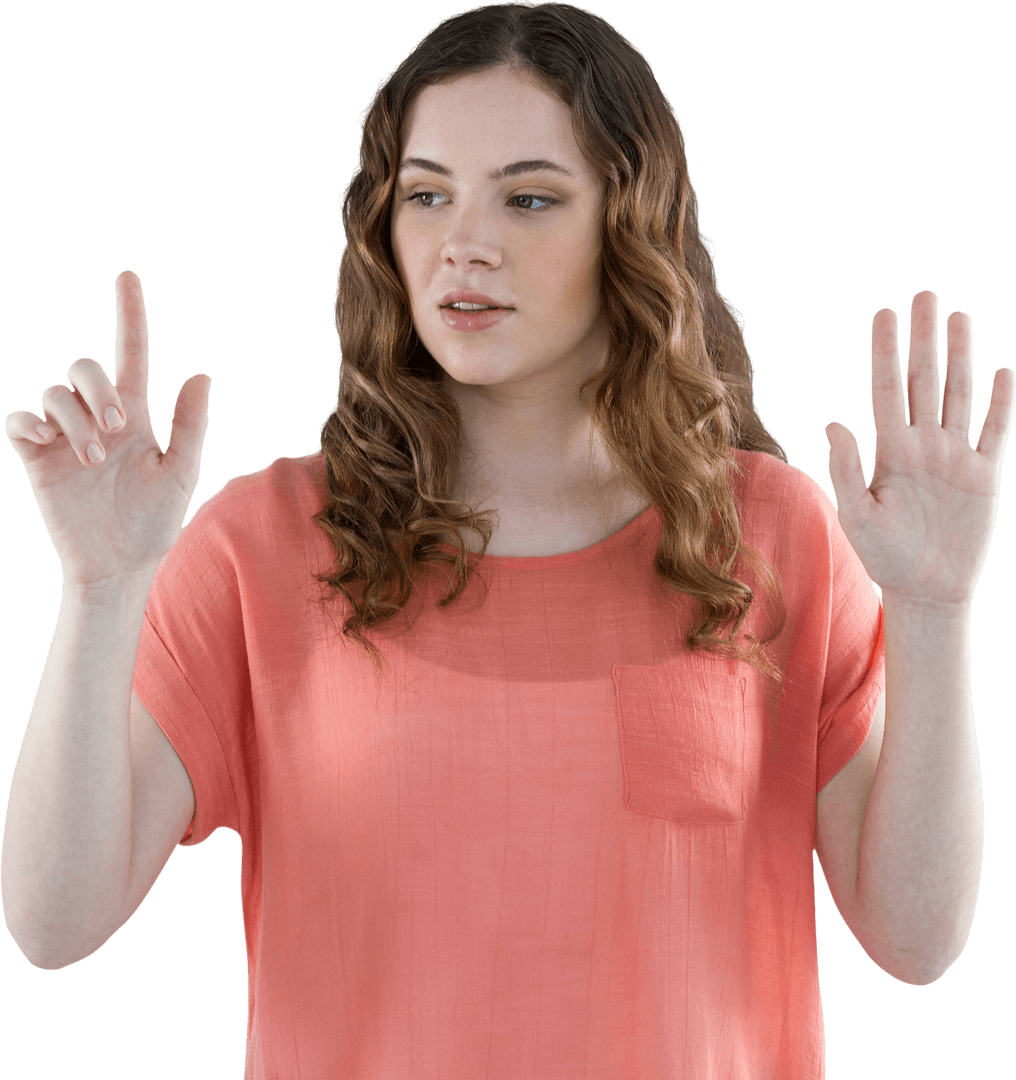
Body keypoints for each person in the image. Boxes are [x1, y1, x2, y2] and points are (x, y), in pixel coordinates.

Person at [3, 5, 892, 1079]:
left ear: (629, 222)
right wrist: (102, 591)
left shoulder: (769, 532)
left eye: (527, 198)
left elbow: (914, 937)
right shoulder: (263, 543)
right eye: (425, 195)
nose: (463, 243)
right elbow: (55, 925)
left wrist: (933, 613)